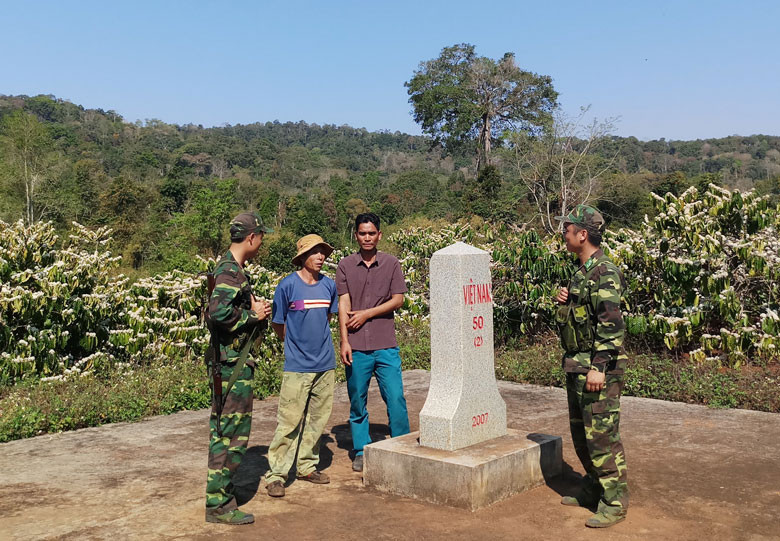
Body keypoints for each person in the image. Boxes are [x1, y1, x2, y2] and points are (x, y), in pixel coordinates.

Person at [554, 204, 629, 529]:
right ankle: (592, 489)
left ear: (582, 234)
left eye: (567, 230)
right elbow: (582, 315)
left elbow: (612, 325)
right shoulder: (580, 271)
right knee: (581, 434)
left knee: (602, 437)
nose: (564, 234)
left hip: (598, 369)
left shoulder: (604, 271)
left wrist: (599, 367)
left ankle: (614, 502)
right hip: (577, 365)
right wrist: (565, 300)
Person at [205, 211, 273, 525]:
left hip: (233, 365)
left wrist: (254, 309)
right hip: (231, 368)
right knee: (229, 436)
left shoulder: (232, 270)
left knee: (227, 434)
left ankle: (220, 501)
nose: (260, 242)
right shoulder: (230, 270)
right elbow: (217, 313)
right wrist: (253, 316)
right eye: (260, 236)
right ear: (251, 237)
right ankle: (219, 506)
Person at [265, 234, 339, 497]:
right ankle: (276, 475)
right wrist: (295, 346)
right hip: (297, 367)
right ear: (302, 257)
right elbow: (278, 322)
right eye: (315, 252)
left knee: (318, 421)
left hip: (325, 365)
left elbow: (328, 317)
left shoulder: (329, 286)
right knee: (289, 422)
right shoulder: (287, 286)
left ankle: (307, 466)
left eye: (323, 253)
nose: (321, 257)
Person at [336, 212, 410, 472]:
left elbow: (398, 299)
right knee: (357, 399)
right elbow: (343, 304)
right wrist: (344, 341)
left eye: (371, 233)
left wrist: (367, 313)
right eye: (362, 233)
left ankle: (403, 444)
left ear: (379, 235)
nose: (367, 237)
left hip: (385, 344)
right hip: (356, 346)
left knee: (396, 398)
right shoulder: (345, 266)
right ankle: (360, 449)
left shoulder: (391, 264)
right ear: (356, 235)